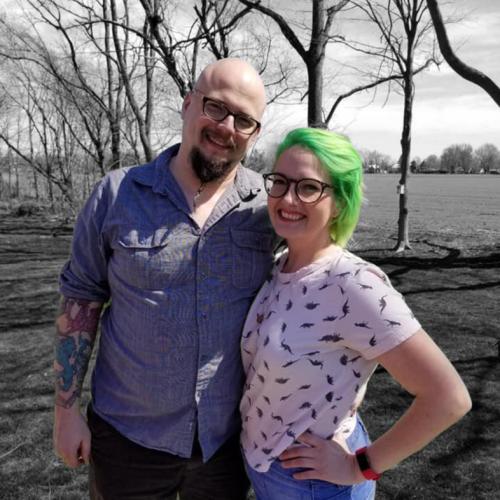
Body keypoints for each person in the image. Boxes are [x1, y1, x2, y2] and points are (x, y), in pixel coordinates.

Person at [53, 58, 276, 499]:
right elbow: (81, 300)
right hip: (126, 438)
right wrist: (65, 410)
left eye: (244, 120)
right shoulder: (117, 195)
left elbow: (311, 282)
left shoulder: (268, 209)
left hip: (226, 444)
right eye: (216, 107)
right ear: (188, 104)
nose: (226, 127)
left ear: (254, 133)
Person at [240, 128, 472, 499]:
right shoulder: (280, 264)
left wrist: (359, 466)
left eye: (309, 187)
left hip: (314, 486)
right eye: (280, 182)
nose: (287, 198)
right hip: (268, 469)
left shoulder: (355, 284)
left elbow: (448, 397)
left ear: (340, 202)